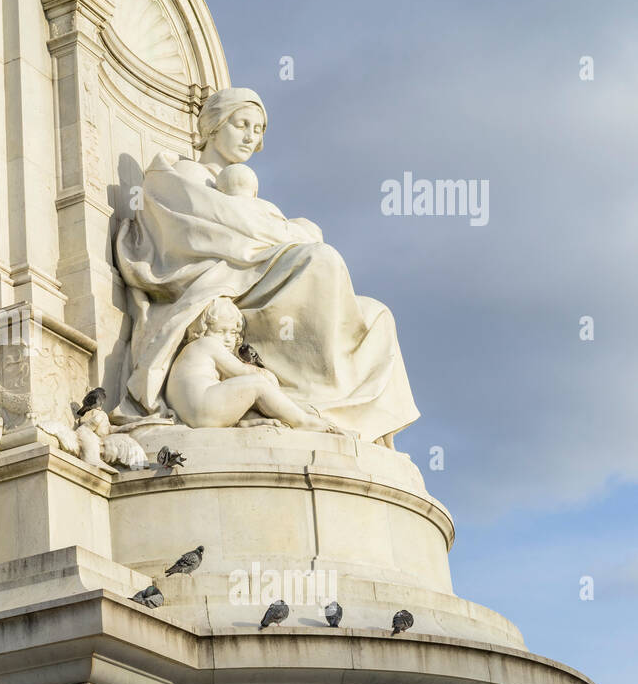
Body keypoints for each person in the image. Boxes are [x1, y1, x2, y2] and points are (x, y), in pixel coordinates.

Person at [114, 86, 418, 446]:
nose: (250, 137)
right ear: (213, 126)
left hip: (259, 271)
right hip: (220, 280)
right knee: (322, 260)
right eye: (242, 124)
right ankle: (306, 403)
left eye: (257, 130)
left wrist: (281, 233)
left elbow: (254, 230)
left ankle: (344, 418)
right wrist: (290, 232)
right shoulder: (178, 177)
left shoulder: (248, 195)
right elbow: (209, 238)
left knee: (377, 314)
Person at [165, 297, 337, 432]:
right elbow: (242, 372)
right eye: (220, 331)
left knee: (243, 389)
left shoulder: (189, 353)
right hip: (203, 406)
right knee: (257, 383)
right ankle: (301, 421)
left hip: (192, 414)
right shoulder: (208, 343)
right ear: (202, 330)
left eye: (232, 333)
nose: (227, 339)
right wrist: (266, 376)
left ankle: (248, 422)